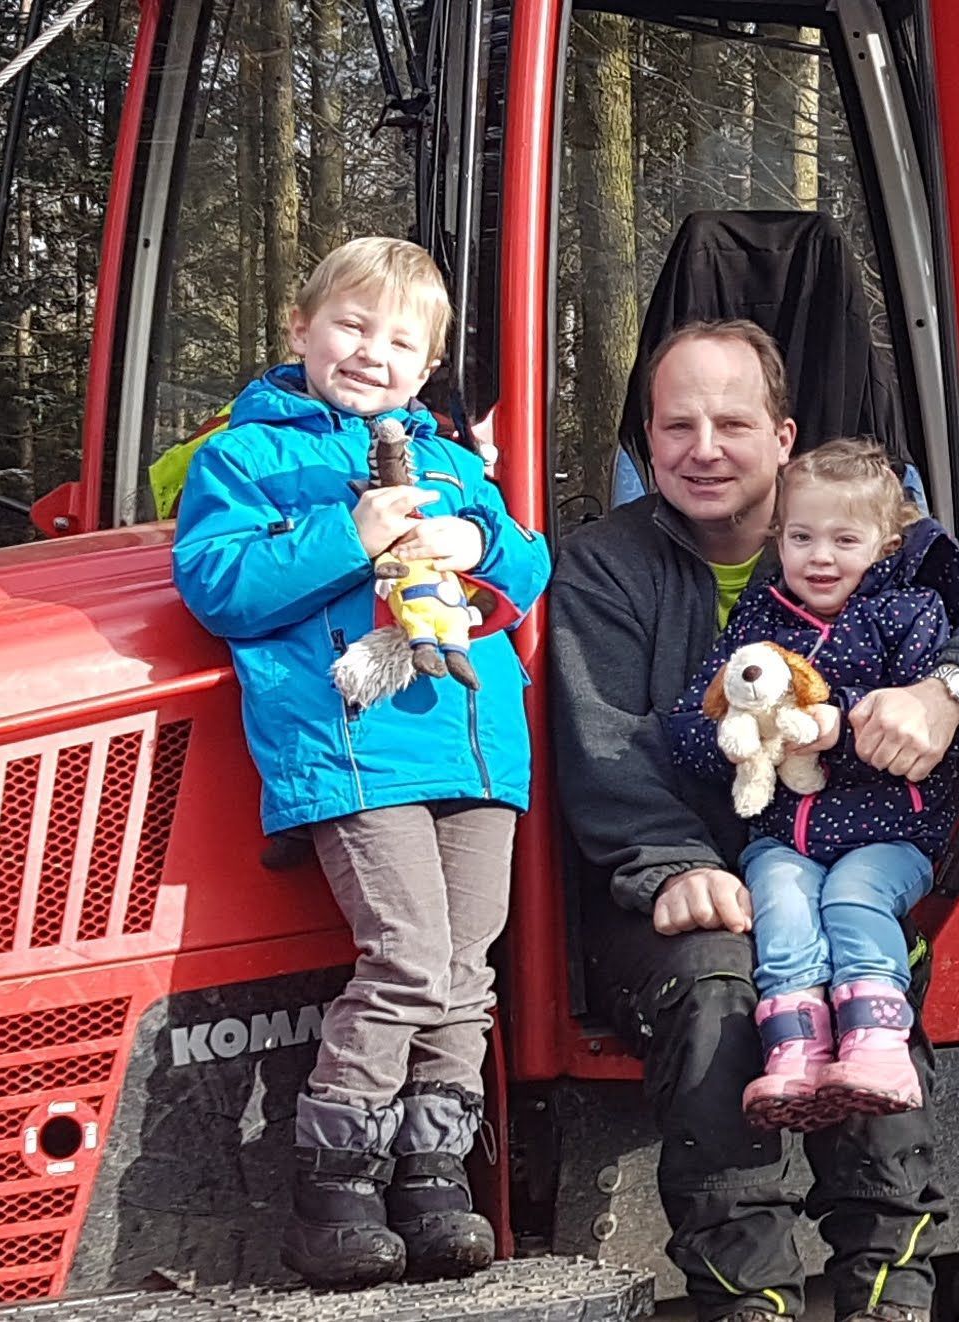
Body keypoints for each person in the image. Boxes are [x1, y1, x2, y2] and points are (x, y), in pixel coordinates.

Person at [550, 319, 959, 1322]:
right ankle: (750, 1298)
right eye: (676, 424)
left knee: (858, 961)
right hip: (679, 874)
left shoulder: (869, 538)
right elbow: (604, 743)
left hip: (837, 858)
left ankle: (886, 1291)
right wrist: (672, 868)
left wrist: (945, 690)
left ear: (782, 437)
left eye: (731, 422)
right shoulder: (604, 567)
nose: (704, 447)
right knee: (720, 976)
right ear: (644, 443)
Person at [172, 237, 550, 1289]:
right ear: (301, 329)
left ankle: (433, 1182)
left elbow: (529, 558)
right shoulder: (245, 459)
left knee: (466, 976)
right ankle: (335, 1191)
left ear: (426, 367)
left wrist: (482, 547)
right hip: (357, 747)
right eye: (351, 324)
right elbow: (219, 583)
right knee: (407, 959)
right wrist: (350, 532)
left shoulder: (453, 463)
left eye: (400, 340)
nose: (371, 352)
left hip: (473, 747)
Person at [668, 440, 959, 1131]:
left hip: (889, 830)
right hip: (784, 832)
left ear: (885, 544)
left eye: (844, 539)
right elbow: (694, 716)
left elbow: (929, 740)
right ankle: (795, 1052)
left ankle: (877, 1045)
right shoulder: (759, 624)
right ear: (779, 537)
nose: (820, 558)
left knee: (852, 898)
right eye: (802, 537)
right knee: (777, 899)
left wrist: (837, 727)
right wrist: (736, 736)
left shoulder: (910, 614)